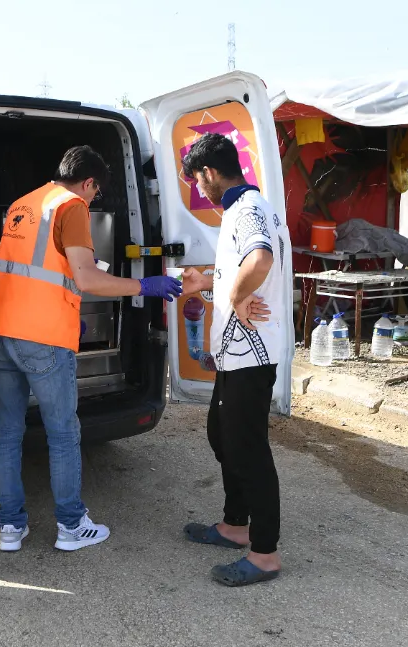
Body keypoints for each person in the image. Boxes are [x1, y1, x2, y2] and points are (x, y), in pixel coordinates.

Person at [0, 146, 183, 553]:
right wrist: (145, 286)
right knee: (64, 435)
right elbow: (86, 279)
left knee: (7, 433)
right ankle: (71, 526)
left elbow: (36, 267)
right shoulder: (71, 207)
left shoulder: (25, 203)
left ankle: (11, 528)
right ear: (88, 183)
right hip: (43, 337)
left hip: (0, 331)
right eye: (96, 193)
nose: (93, 200)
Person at [177, 133, 290, 587]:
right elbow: (242, 267)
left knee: (248, 449)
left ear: (208, 173)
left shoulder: (246, 210)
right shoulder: (245, 210)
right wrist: (212, 281)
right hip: (236, 355)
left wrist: (238, 297)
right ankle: (234, 525)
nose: (200, 192)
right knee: (222, 436)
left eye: (197, 182)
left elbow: (258, 260)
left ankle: (264, 553)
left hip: (252, 353)